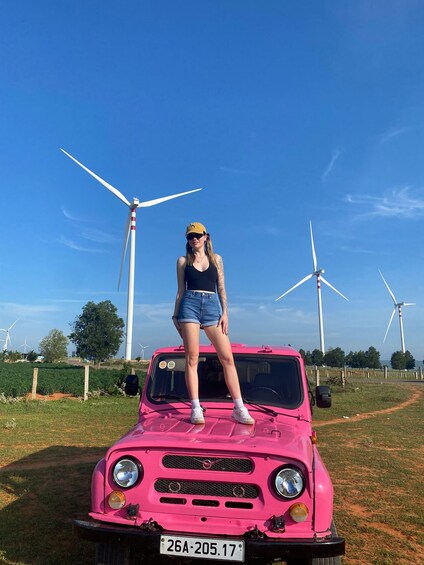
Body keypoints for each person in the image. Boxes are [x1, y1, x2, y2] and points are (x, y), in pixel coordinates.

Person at [172, 222, 254, 425]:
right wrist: (175, 315)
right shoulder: (182, 261)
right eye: (190, 236)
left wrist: (225, 313)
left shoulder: (216, 259)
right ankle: (195, 408)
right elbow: (180, 291)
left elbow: (222, 288)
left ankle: (239, 408)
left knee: (227, 357)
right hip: (189, 305)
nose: (194, 239)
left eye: (197, 235)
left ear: (206, 236)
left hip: (212, 306)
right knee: (192, 358)